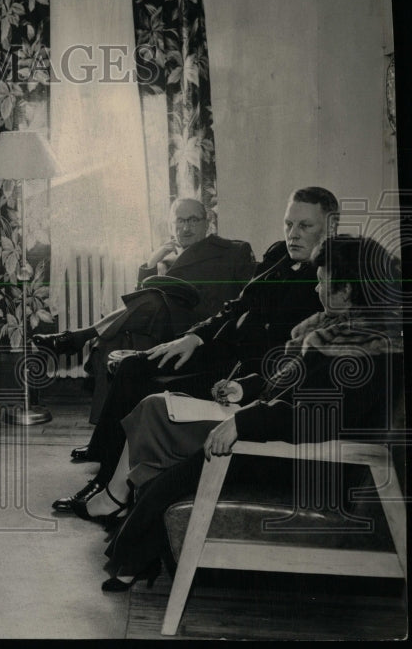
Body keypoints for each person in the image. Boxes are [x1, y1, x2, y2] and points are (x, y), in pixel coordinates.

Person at [94, 233, 403, 590]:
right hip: (305, 450)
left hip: (321, 469)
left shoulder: (366, 348)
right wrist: (251, 390)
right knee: (179, 462)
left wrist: (244, 421)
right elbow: (292, 385)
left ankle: (131, 557)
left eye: (323, 281)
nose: (317, 290)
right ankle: (134, 556)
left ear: (347, 290)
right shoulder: (342, 330)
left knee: (195, 462)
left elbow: (317, 417)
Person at [54, 186, 338, 515]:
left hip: (249, 377)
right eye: (289, 224)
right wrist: (194, 338)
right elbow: (235, 307)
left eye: (305, 226)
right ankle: (105, 476)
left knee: (151, 388)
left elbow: (299, 360)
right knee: (135, 366)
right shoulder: (277, 255)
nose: (293, 235)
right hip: (220, 349)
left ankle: (110, 490)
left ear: (330, 227)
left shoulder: (334, 278)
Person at [33, 197, 254, 454]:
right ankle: (102, 442)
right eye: (180, 221)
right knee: (111, 342)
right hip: (165, 329)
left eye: (194, 220)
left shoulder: (231, 250)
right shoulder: (168, 259)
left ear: (208, 223)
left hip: (202, 333)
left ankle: (79, 337)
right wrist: (151, 263)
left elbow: (248, 300)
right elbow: (139, 305)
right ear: (171, 225)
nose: (186, 227)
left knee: (147, 304)